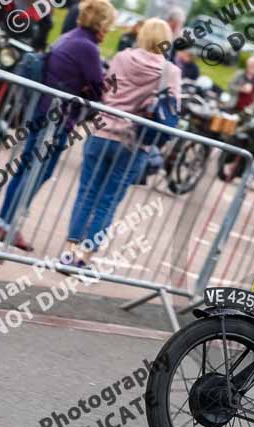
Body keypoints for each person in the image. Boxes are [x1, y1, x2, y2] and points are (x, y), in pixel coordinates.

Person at [0, 0, 116, 251]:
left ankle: (2, 222)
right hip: (56, 119)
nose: (110, 30)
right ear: (101, 24)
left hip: (41, 110)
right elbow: (99, 88)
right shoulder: (87, 47)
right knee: (38, 172)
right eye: (109, 25)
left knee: (26, 168)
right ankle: (8, 225)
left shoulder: (69, 36)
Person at [61, 18, 181, 268]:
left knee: (86, 192)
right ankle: (85, 256)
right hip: (134, 143)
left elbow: (105, 90)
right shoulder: (170, 72)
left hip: (102, 131)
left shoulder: (123, 58)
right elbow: (173, 110)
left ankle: (69, 251)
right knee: (108, 200)